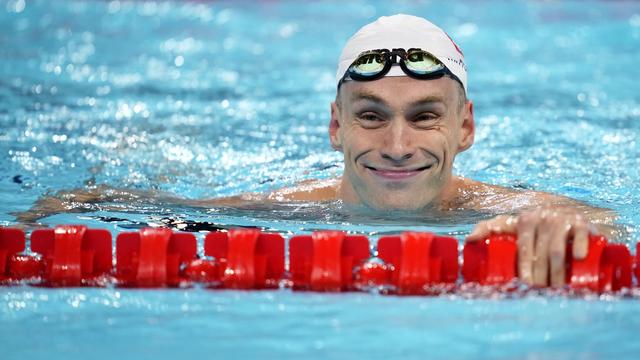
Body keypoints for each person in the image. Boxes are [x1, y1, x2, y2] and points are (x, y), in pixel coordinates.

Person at [16, 14, 618, 288]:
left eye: (425, 116)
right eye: (371, 117)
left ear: (465, 128)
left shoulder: (505, 209)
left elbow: (607, 226)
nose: (398, 146)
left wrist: (569, 228)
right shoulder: (286, 210)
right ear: (336, 127)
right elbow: (131, 204)